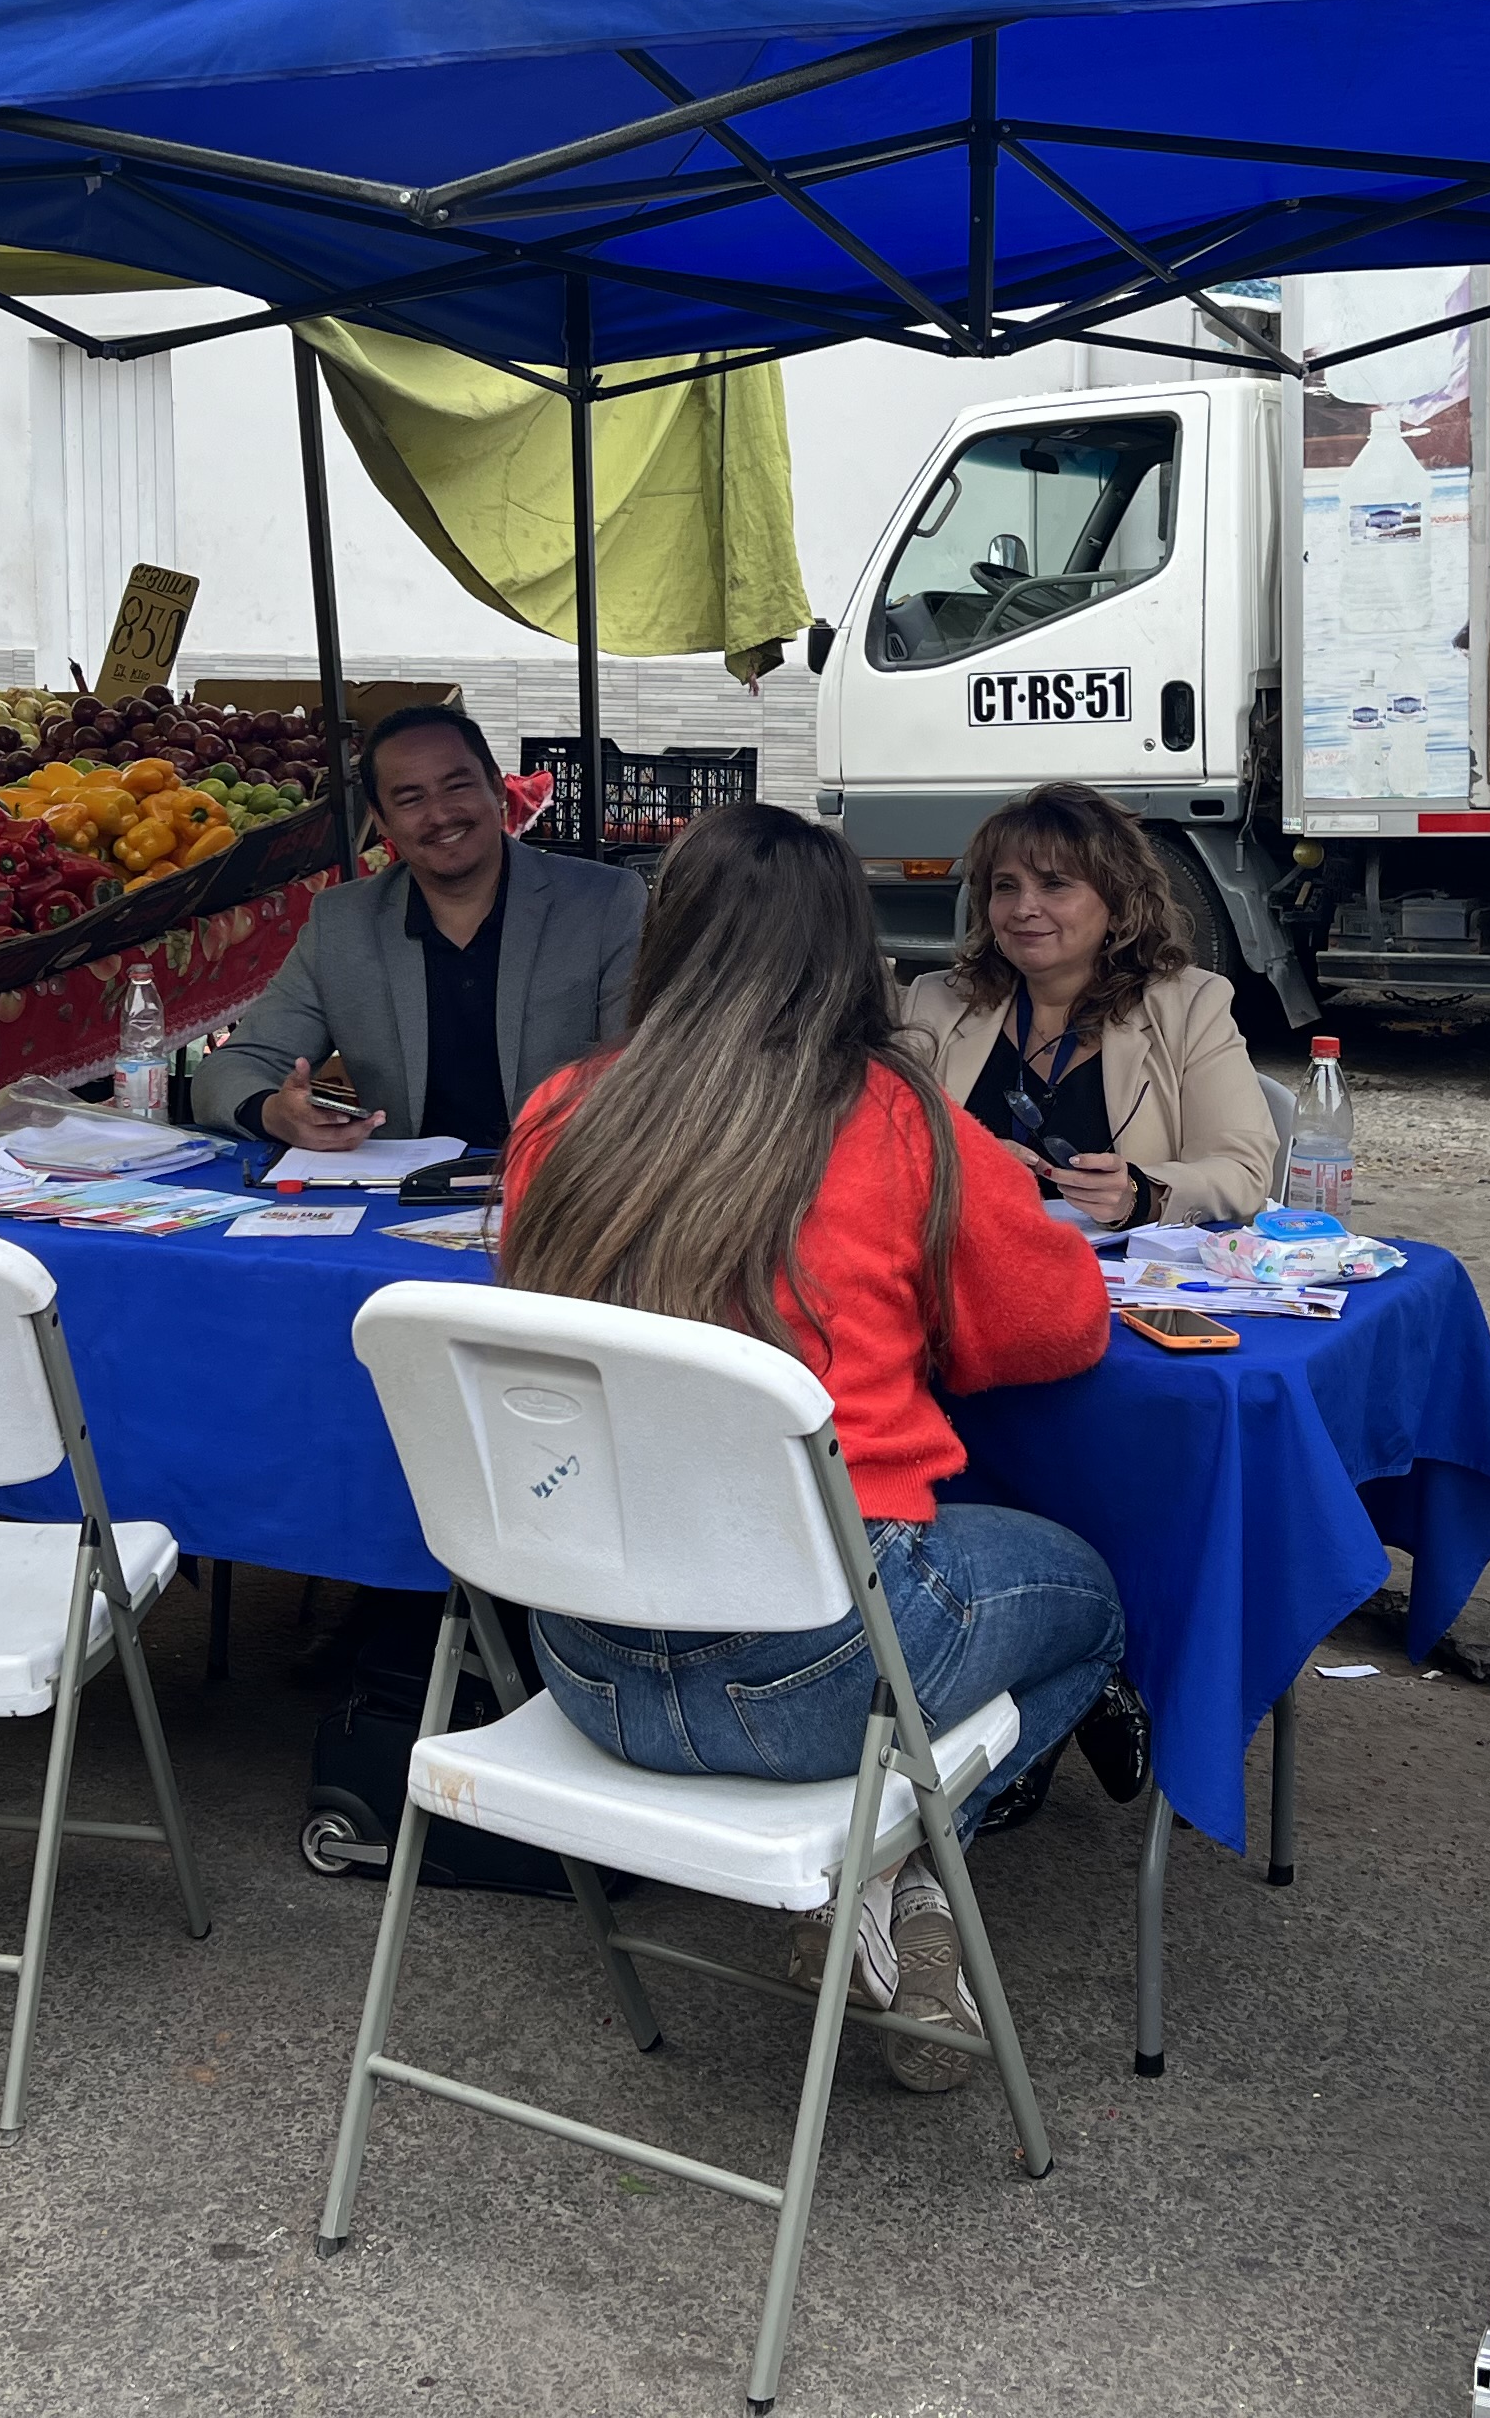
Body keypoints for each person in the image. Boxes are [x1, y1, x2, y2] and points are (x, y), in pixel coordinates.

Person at [501, 800, 1150, 2091]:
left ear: (667, 936)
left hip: (582, 1666)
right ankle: (893, 1864)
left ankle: (873, 1885)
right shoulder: (900, 1122)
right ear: (850, 950)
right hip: (821, 1672)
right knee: (1090, 1600)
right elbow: (1061, 1328)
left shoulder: (561, 1113)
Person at [189, 704, 643, 1152]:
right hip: (400, 1199)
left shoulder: (603, 904)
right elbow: (232, 1069)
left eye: (457, 786)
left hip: (560, 1189)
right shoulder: (344, 923)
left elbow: (645, 1073)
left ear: (497, 787)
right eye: (411, 799)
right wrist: (276, 1114)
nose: (441, 815)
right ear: (381, 819)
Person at [898, 782, 1284, 1227]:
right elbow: (868, 1150)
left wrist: (1140, 1193)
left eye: (1055, 884)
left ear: (1118, 906)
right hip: (963, 1263)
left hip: (1115, 1281)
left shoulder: (1190, 1008)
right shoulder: (935, 1003)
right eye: (1006, 886)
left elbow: (1243, 1168)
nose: (1024, 907)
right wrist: (950, 1164)